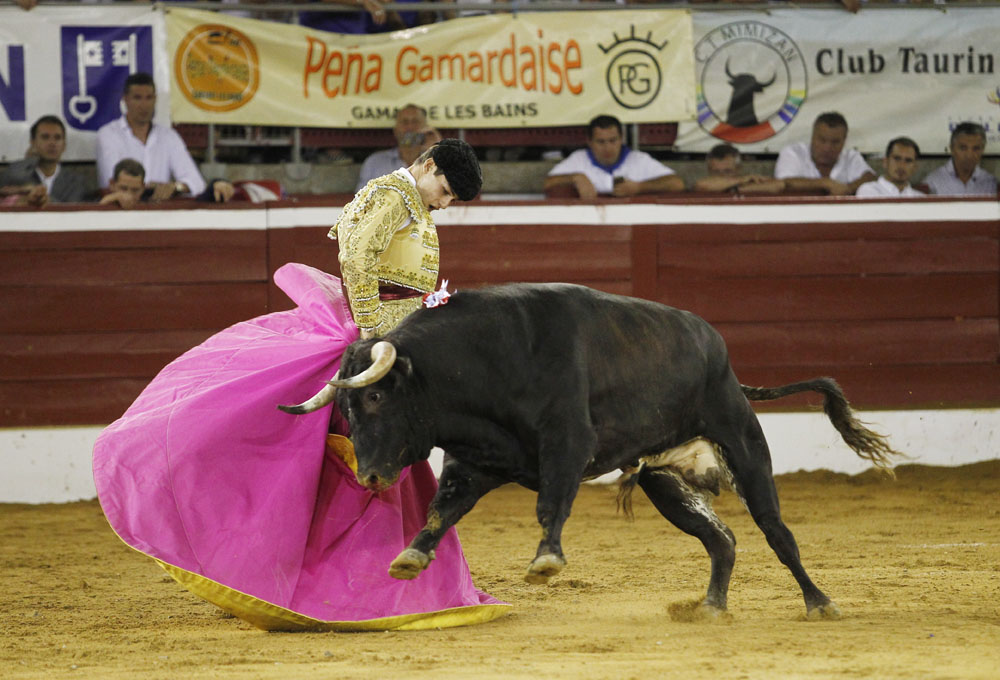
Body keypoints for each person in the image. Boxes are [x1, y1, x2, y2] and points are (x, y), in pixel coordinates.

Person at [92, 139, 508, 632]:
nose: (444, 203)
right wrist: (372, 331)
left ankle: (334, 576)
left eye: (451, 199)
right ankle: (338, 580)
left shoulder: (406, 199)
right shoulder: (394, 196)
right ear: (430, 166)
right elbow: (356, 256)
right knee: (358, 460)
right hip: (373, 349)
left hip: (389, 349)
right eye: (445, 190)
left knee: (371, 460)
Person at [96, 72, 207, 201]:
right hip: (121, 211)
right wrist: (152, 189)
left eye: (149, 98)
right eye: (137, 98)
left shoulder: (169, 136)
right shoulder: (108, 134)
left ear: (155, 99)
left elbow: (198, 183)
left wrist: (175, 187)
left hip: (160, 213)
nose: (144, 105)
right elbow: (113, 183)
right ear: (125, 99)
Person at [544, 115, 685, 199]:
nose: (608, 148)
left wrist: (640, 187)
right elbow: (547, 184)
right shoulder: (579, 159)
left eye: (613, 141)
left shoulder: (638, 159)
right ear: (589, 142)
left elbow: (677, 184)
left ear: (621, 139)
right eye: (601, 142)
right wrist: (575, 177)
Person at [774, 112, 876, 195]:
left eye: (835, 142)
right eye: (822, 140)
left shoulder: (850, 156)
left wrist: (848, 189)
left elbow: (870, 177)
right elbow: (784, 183)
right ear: (812, 137)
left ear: (844, 141)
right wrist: (825, 183)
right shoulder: (793, 153)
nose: (827, 148)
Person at [0, 115, 88, 204]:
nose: (52, 143)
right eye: (45, 137)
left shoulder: (76, 182)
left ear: (64, 145)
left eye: (57, 138)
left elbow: (76, 212)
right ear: (33, 142)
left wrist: (46, 201)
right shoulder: (15, 174)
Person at [356, 104, 442, 191]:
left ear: (426, 128)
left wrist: (438, 149)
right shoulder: (375, 163)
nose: (410, 127)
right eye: (405, 122)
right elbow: (360, 200)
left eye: (415, 122)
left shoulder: (437, 161)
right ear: (395, 130)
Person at [99, 159, 237, 207]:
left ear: (143, 187)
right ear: (112, 184)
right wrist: (107, 202)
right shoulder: (102, 198)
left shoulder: (154, 197)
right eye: (123, 189)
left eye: (135, 190)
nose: (128, 195)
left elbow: (199, 200)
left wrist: (218, 183)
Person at [924, 122, 998, 196]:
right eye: (963, 148)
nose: (969, 155)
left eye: (976, 148)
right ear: (952, 149)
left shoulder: (990, 183)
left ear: (983, 150)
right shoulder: (933, 182)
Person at [692, 143, 786, 195]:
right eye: (716, 172)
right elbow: (701, 186)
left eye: (727, 171)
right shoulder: (704, 185)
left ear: (738, 168)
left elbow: (778, 185)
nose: (721, 176)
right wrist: (742, 180)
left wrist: (735, 189)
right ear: (709, 170)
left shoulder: (747, 182)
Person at [856, 137, 924, 198]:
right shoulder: (868, 191)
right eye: (897, 159)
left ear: (915, 167)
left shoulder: (922, 199)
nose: (902, 165)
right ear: (885, 162)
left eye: (908, 160)